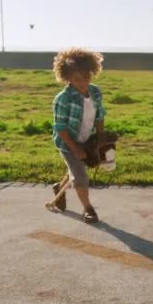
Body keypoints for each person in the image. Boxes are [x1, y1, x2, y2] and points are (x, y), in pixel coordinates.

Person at [50, 47, 106, 223]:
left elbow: (100, 115)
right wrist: (75, 148)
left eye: (87, 77)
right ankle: (88, 210)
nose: (83, 82)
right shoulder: (63, 99)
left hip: (87, 138)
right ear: (67, 78)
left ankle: (59, 187)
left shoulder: (95, 91)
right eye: (77, 79)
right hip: (68, 142)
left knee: (76, 170)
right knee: (80, 175)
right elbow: (60, 127)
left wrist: (100, 138)